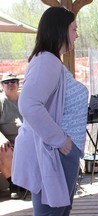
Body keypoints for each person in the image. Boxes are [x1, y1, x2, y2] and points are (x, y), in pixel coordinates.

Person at [11, 7, 88, 216]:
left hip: (60, 152)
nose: (77, 34)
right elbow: (28, 104)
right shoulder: (47, 60)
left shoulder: (49, 60)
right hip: (56, 152)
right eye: (74, 29)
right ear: (60, 30)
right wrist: (61, 140)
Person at [0, 73, 23, 199]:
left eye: (13, 81)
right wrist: (1, 139)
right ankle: (13, 184)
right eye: (6, 82)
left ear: (18, 84)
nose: (10, 84)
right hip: (7, 140)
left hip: (26, 139)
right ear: (2, 86)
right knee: (4, 150)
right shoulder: (1, 101)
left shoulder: (25, 99)